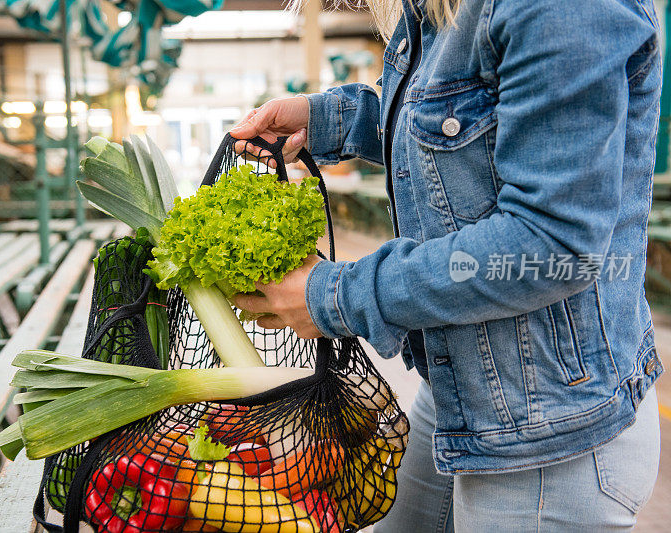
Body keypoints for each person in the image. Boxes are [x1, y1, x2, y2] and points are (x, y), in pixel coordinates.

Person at [229, 0, 663, 530]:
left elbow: (550, 245)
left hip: (546, 434)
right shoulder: (439, 10)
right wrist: (328, 120)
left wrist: (336, 297)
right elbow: (462, 129)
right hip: (462, 386)